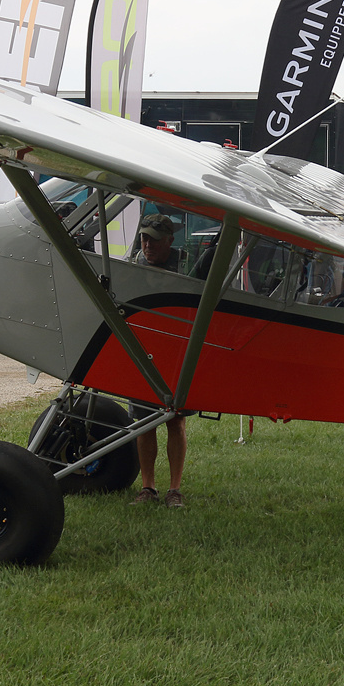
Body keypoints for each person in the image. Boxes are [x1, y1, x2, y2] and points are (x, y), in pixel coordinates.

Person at [131, 212, 186, 505]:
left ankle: (174, 489)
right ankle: (148, 487)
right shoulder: (133, 264)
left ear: (169, 240)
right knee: (144, 421)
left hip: (175, 351)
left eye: (153, 240)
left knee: (175, 421)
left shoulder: (186, 266)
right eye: (143, 238)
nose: (147, 245)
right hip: (143, 349)